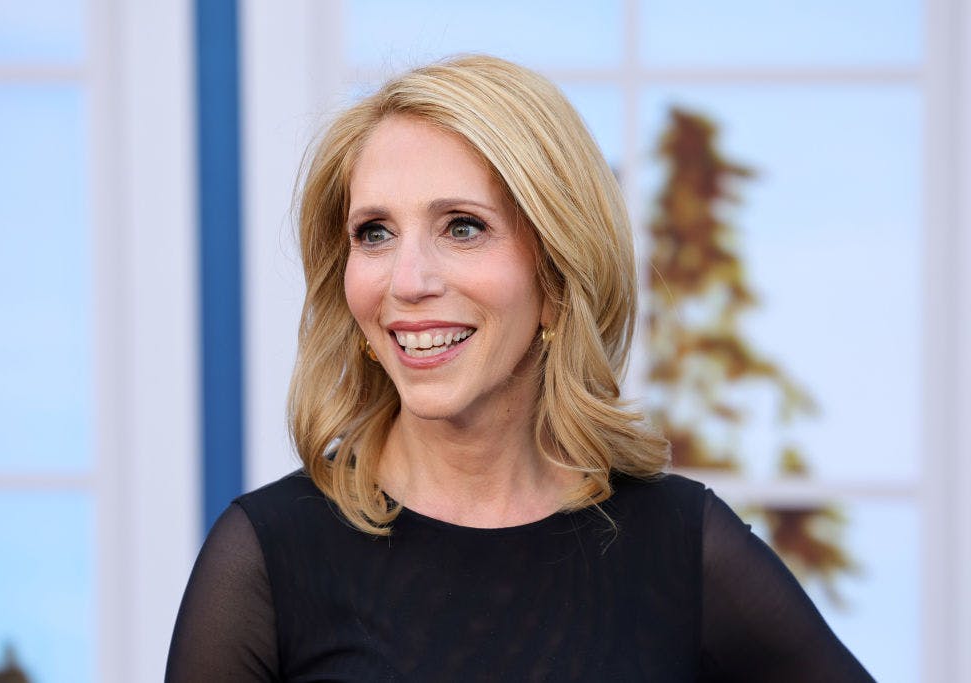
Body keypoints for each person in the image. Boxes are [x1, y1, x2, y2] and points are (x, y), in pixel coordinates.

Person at [166, 55, 873, 681]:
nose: (406, 281)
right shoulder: (263, 559)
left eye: (462, 227)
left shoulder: (681, 546)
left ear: (557, 278)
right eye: (374, 233)